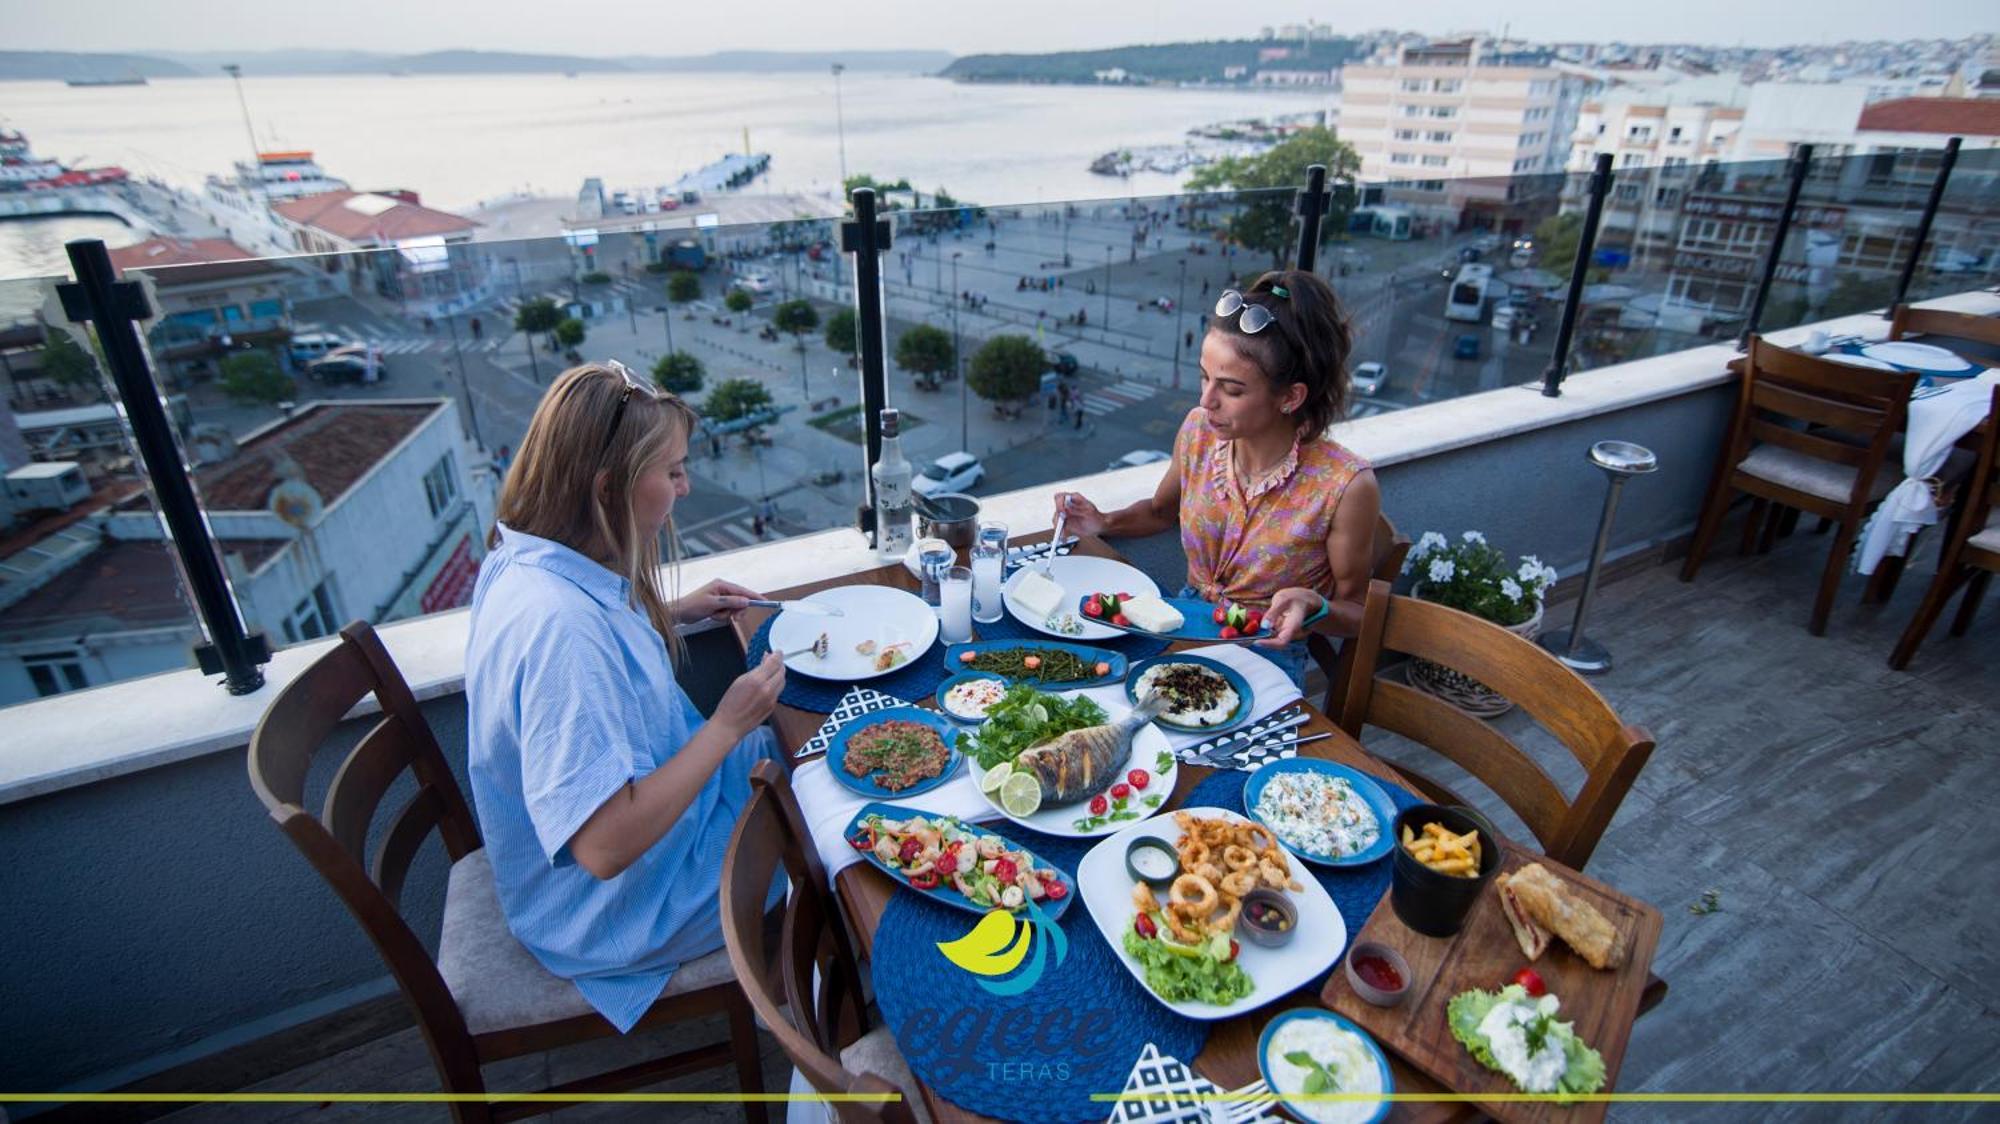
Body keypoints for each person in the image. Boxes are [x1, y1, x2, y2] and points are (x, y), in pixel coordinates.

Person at [464, 361, 787, 1034]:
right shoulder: (561, 635)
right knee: (819, 805)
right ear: (607, 488)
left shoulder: (525, 556)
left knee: (803, 752)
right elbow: (606, 849)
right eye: (670, 471)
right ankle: (822, 999)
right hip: (618, 909)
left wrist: (667, 612)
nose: (684, 485)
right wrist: (726, 726)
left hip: (604, 871)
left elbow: (593, 655)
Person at [1054, 270, 1381, 687]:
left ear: (1290, 397)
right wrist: (1103, 522)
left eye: (1231, 389)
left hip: (1266, 657)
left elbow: (1358, 612)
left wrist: (1314, 606)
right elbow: (1160, 512)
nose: (1206, 401)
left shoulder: (1345, 486)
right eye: (1205, 377)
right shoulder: (1198, 431)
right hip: (1180, 625)